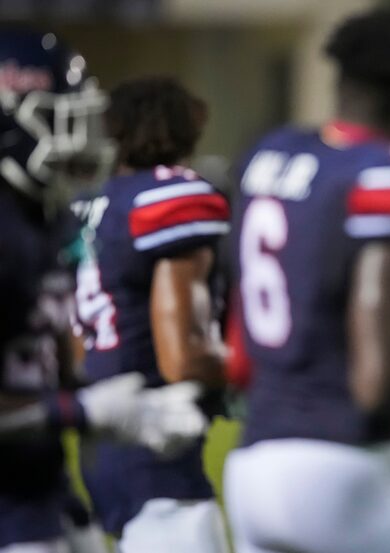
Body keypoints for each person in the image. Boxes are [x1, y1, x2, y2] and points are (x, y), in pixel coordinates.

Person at [222, 8, 390, 553]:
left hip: (253, 463)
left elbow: (237, 347)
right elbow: (377, 380)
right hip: (349, 463)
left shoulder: (268, 156)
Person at [0, 30, 206, 553]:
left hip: (37, 504)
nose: (76, 131)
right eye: (53, 113)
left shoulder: (45, 220)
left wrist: (68, 503)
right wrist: (84, 413)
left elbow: (36, 368)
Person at [72, 76, 230, 553]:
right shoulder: (173, 197)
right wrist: (250, 367)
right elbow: (180, 357)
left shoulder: (91, 205)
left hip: (102, 433)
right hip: (157, 430)